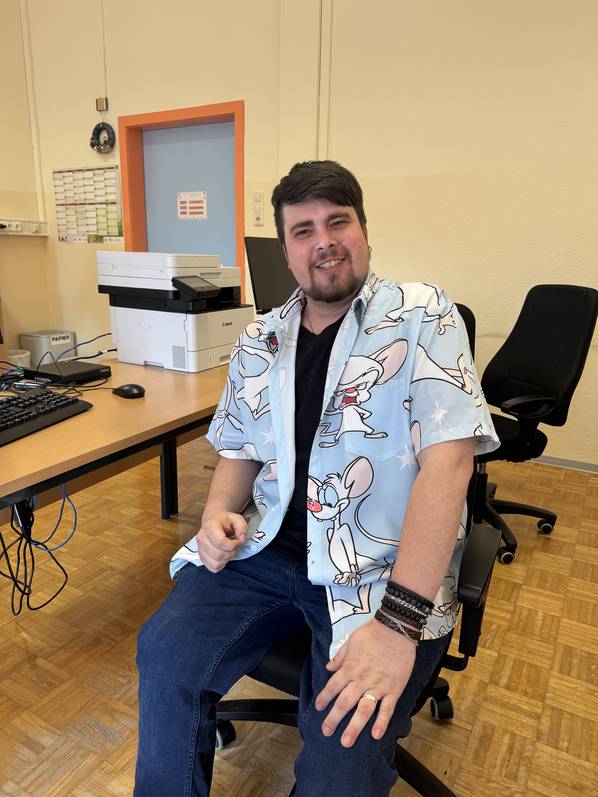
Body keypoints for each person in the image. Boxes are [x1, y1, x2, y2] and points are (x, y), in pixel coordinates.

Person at [134, 160, 498, 796]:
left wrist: (398, 625)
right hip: (266, 551)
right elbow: (239, 446)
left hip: (378, 574)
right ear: (287, 251)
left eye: (337, 221)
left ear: (364, 230)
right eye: (303, 230)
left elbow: (450, 466)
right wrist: (216, 514)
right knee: (164, 653)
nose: (323, 241)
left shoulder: (422, 315)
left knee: (340, 764)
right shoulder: (261, 338)